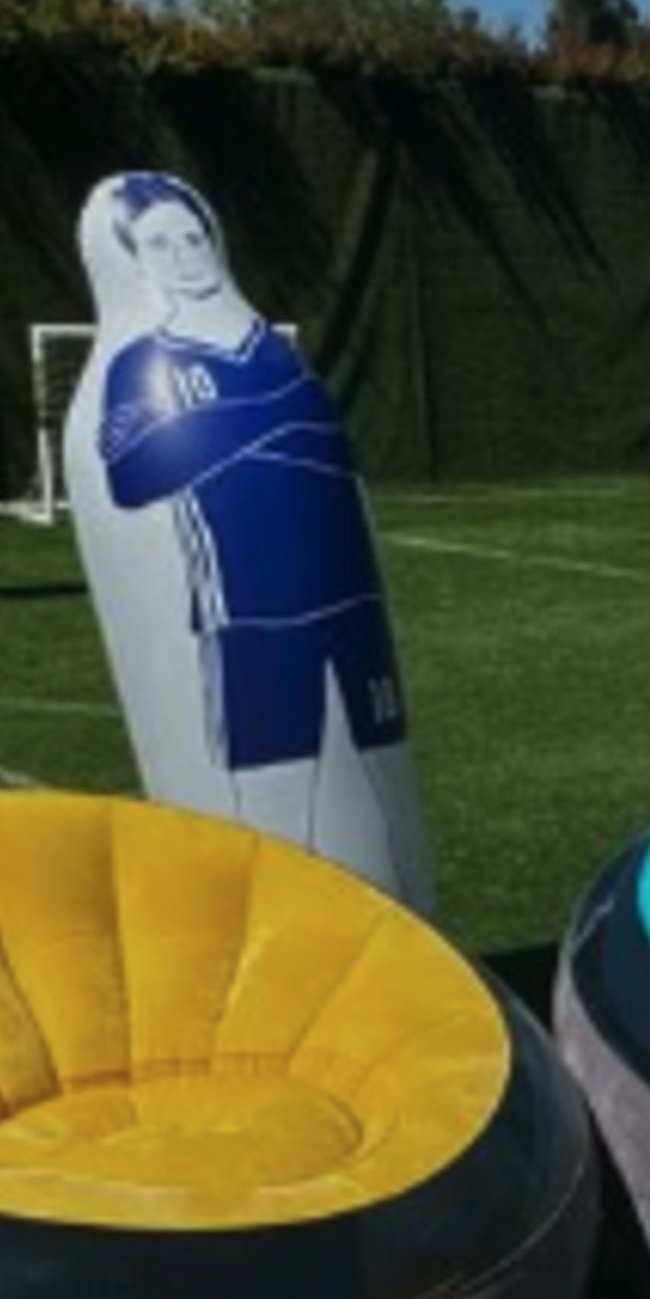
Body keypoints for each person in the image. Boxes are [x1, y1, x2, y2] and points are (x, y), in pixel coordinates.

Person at [65, 172, 434, 910]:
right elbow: (134, 475)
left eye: (194, 237)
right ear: (125, 255)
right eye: (160, 242)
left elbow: (311, 442)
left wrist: (236, 428)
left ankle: (414, 954)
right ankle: (269, 949)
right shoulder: (142, 367)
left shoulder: (273, 356)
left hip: (350, 612)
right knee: (267, 785)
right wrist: (269, 422)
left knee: (373, 784)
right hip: (248, 616)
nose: (183, 255)